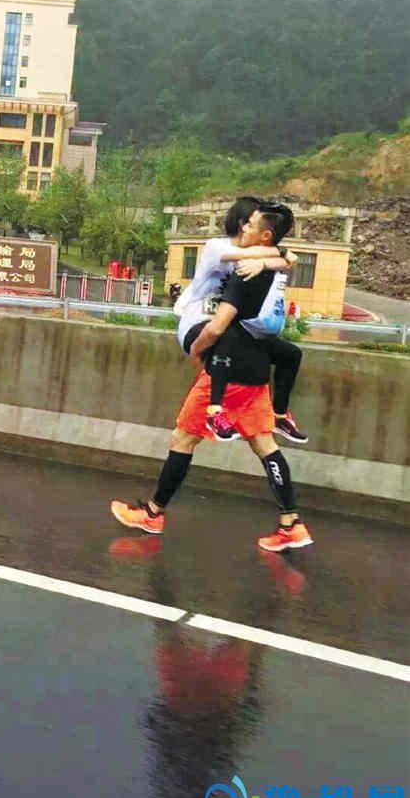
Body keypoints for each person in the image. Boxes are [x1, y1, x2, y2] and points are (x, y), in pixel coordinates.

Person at [110, 204, 314, 554]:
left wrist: (197, 348)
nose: (244, 228)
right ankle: (291, 524)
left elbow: (218, 327)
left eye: (250, 225)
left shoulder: (244, 272)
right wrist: (272, 259)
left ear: (263, 234)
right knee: (264, 444)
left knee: (183, 438)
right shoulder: (268, 267)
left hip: (228, 371)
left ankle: (153, 514)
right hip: (257, 370)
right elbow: (286, 260)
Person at [176, 196, 308, 444]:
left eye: (252, 224)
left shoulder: (255, 255)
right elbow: (283, 256)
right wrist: (278, 254)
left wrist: (265, 263)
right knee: (223, 333)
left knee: (290, 354)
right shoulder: (217, 246)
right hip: (197, 322)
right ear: (241, 223)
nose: (248, 228)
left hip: (227, 324)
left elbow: (289, 262)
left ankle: (279, 415)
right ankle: (215, 411)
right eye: (248, 222)